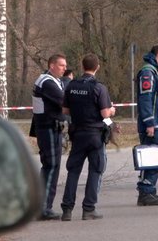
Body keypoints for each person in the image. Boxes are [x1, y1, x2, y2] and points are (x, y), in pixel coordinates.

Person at [60, 54, 115, 221]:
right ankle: (88, 208)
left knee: (73, 171)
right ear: (97, 67)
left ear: (82, 66)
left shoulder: (71, 86)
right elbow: (105, 114)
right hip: (94, 135)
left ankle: (67, 210)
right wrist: (112, 112)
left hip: (77, 133)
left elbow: (65, 111)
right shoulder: (99, 88)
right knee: (95, 170)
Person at [135, 43, 158, 206]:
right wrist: (149, 122)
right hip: (154, 124)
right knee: (152, 158)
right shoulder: (148, 73)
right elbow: (146, 99)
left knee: (156, 158)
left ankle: (149, 190)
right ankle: (146, 192)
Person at [30, 54, 68, 220]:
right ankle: (44, 208)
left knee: (48, 167)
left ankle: (41, 206)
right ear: (51, 65)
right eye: (61, 65)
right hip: (49, 128)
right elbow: (64, 102)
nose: (64, 68)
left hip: (48, 128)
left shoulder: (52, 80)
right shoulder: (47, 82)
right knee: (52, 166)